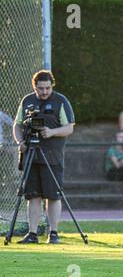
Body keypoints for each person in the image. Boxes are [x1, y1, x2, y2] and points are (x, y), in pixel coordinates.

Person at [13, 70, 75, 244]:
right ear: (35, 87)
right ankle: (32, 233)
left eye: (47, 88)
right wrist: (20, 142)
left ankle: (53, 233)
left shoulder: (61, 101)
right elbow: (17, 125)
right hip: (30, 154)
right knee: (32, 195)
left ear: (52, 86)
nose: (45, 92)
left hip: (52, 156)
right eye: (41, 88)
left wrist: (52, 132)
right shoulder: (27, 101)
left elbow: (69, 127)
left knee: (53, 195)